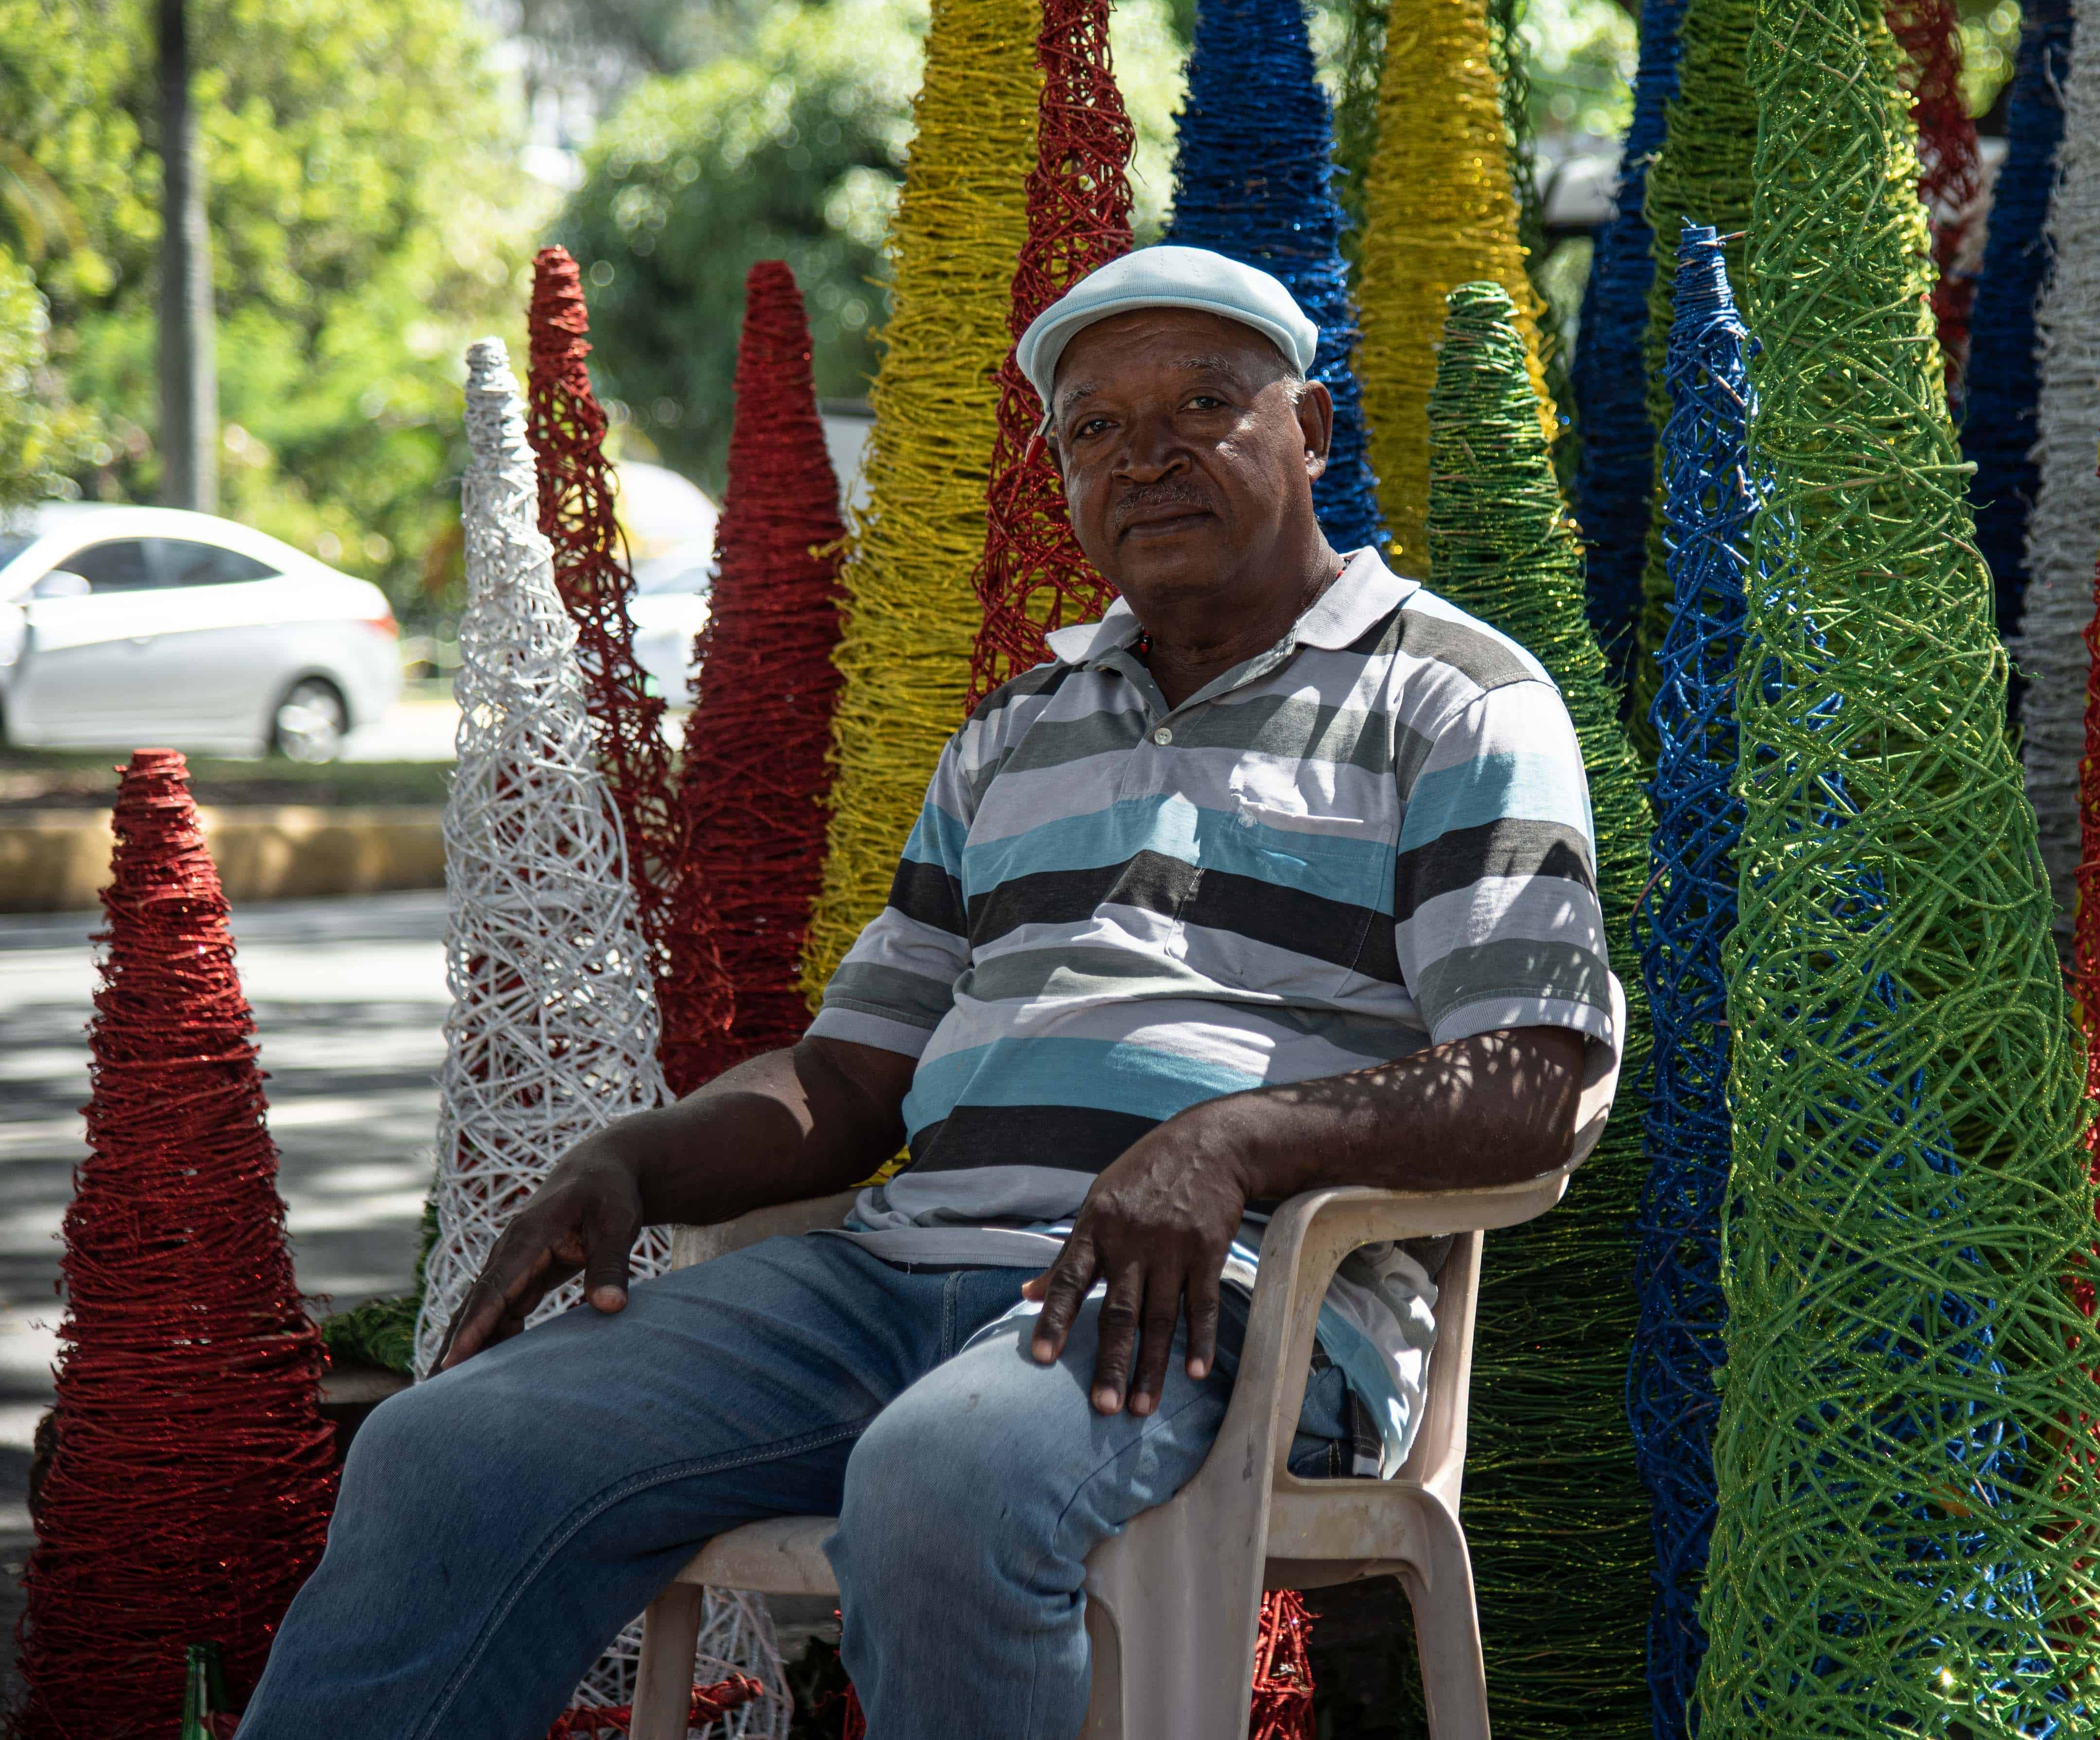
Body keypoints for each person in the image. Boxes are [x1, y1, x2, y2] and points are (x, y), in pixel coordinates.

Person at [238, 246, 1617, 1740]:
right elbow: (847, 1083)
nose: (1144, 456)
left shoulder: (1451, 698)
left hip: (1219, 1308)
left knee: (945, 1473)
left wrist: (1234, 1145)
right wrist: (633, 1156)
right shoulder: (1016, 733)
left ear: (1313, 432)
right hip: (886, 1288)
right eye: (1094, 428)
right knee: (443, 1455)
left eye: (1205, 405)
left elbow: (1533, 1075)